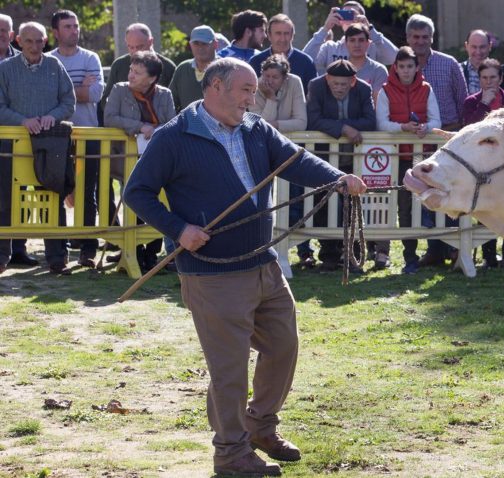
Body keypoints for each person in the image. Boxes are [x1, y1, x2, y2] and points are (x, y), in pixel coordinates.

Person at [124, 57, 366, 476]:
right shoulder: (174, 136)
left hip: (262, 262)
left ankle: (260, 426)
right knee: (229, 368)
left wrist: (337, 178)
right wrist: (179, 229)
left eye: (254, 91)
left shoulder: (256, 128)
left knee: (283, 346)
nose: (252, 99)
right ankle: (231, 452)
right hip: (211, 272)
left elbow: (295, 160)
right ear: (215, 87)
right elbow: (137, 192)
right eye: (246, 90)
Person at [0, 22, 75, 275]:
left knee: (52, 195)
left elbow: (69, 101)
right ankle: (1, 257)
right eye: (29, 41)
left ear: (45, 41)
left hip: (49, 143)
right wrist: (22, 120)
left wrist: (53, 116)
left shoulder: (55, 65)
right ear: (19, 42)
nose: (34, 46)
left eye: (39, 41)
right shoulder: (5, 69)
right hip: (11, 144)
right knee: (5, 199)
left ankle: (57, 258)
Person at [104, 51, 176, 273]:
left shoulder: (164, 94)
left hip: (156, 160)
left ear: (152, 78)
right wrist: (139, 127)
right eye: (131, 70)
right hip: (126, 158)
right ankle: (133, 251)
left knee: (157, 203)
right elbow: (109, 118)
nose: (131, 75)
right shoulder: (119, 90)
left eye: (137, 72)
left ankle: (151, 253)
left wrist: (156, 130)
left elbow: (172, 123)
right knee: (132, 200)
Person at [405, 13, 467, 267]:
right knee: (422, 195)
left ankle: (455, 248)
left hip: (446, 137)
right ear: (408, 38)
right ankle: (434, 249)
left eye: (425, 37)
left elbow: (462, 100)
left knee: (449, 191)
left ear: (432, 38)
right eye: (415, 37)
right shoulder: (401, 64)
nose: (420, 41)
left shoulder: (448, 63)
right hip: (414, 140)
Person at [375, 46, 441, 273]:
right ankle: (408, 257)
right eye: (402, 66)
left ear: (416, 67)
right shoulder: (385, 90)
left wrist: (425, 127)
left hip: (423, 158)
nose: (405, 70)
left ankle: (430, 253)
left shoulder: (426, 88)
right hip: (397, 157)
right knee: (403, 208)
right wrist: (402, 127)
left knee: (427, 204)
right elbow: (381, 124)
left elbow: (436, 120)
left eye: (409, 66)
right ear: (395, 67)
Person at [306, 59, 376, 271]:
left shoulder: (363, 89)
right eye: (334, 83)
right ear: (327, 79)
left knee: (354, 204)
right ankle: (329, 254)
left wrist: (344, 127)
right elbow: (313, 120)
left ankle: (354, 254)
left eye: (343, 84)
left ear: (352, 82)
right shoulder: (316, 86)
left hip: (353, 158)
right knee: (323, 203)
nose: (338, 88)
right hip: (324, 158)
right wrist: (344, 129)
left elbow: (370, 121)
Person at [49, 9, 105, 269]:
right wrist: (79, 87)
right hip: (56, 135)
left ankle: (87, 249)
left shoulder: (91, 57)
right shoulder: (49, 60)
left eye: (76, 26)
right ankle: (58, 252)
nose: (74, 30)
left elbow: (95, 94)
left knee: (87, 192)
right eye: (68, 26)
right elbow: (47, 98)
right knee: (56, 191)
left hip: (88, 133)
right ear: (56, 32)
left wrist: (64, 91)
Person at [248, 53, 313, 266]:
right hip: (262, 151)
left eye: (275, 77)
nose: (269, 81)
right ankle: (263, 246)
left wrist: (274, 125)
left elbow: (301, 122)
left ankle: (304, 250)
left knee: (296, 198)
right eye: (266, 76)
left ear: (284, 77)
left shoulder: (294, 83)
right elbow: (258, 123)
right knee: (264, 200)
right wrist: (271, 98)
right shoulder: (256, 86)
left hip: (289, 150)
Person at [460, 58, 504, 269]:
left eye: (492, 77)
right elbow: (469, 129)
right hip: (482, 165)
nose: (488, 82)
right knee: (485, 208)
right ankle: (489, 257)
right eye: (484, 78)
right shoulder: (471, 102)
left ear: (501, 79)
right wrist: (484, 104)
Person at [0, 14, 37, 269]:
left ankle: (19, 248)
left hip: (21, 137)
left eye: (4, 30)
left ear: (13, 35)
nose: (0, 35)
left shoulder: (24, 60)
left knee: (22, 193)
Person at [304, 0, 399, 72]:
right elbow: (304, 60)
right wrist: (325, 28)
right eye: (345, 15)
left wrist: (370, 29)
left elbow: (395, 57)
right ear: (340, 21)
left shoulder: (372, 47)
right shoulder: (330, 48)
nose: (349, 20)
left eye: (353, 15)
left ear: (363, 19)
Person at [103, 23, 177, 107]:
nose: (135, 52)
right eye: (131, 47)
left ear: (150, 42)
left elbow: (174, 102)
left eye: (139, 47)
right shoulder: (119, 65)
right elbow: (105, 101)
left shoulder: (168, 67)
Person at [249, 14, 317, 93]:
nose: (282, 39)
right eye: (278, 33)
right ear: (269, 35)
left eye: (286, 33)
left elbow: (313, 94)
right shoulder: (256, 62)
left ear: (292, 36)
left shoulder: (306, 62)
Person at [170, 25, 218, 112]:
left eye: (204, 44)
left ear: (215, 44)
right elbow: (171, 103)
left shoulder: (226, 69)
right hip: (187, 121)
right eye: (196, 43)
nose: (200, 48)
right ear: (190, 45)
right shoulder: (182, 69)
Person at [340, 24, 387, 96]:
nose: (357, 45)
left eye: (361, 40)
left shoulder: (379, 70)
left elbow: (377, 100)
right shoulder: (337, 69)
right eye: (352, 40)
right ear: (346, 44)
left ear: (368, 43)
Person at [459, 29, 491, 95]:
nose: (478, 52)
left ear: (490, 46)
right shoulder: (458, 71)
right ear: (466, 46)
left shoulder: (500, 72)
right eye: (474, 47)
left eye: (482, 47)